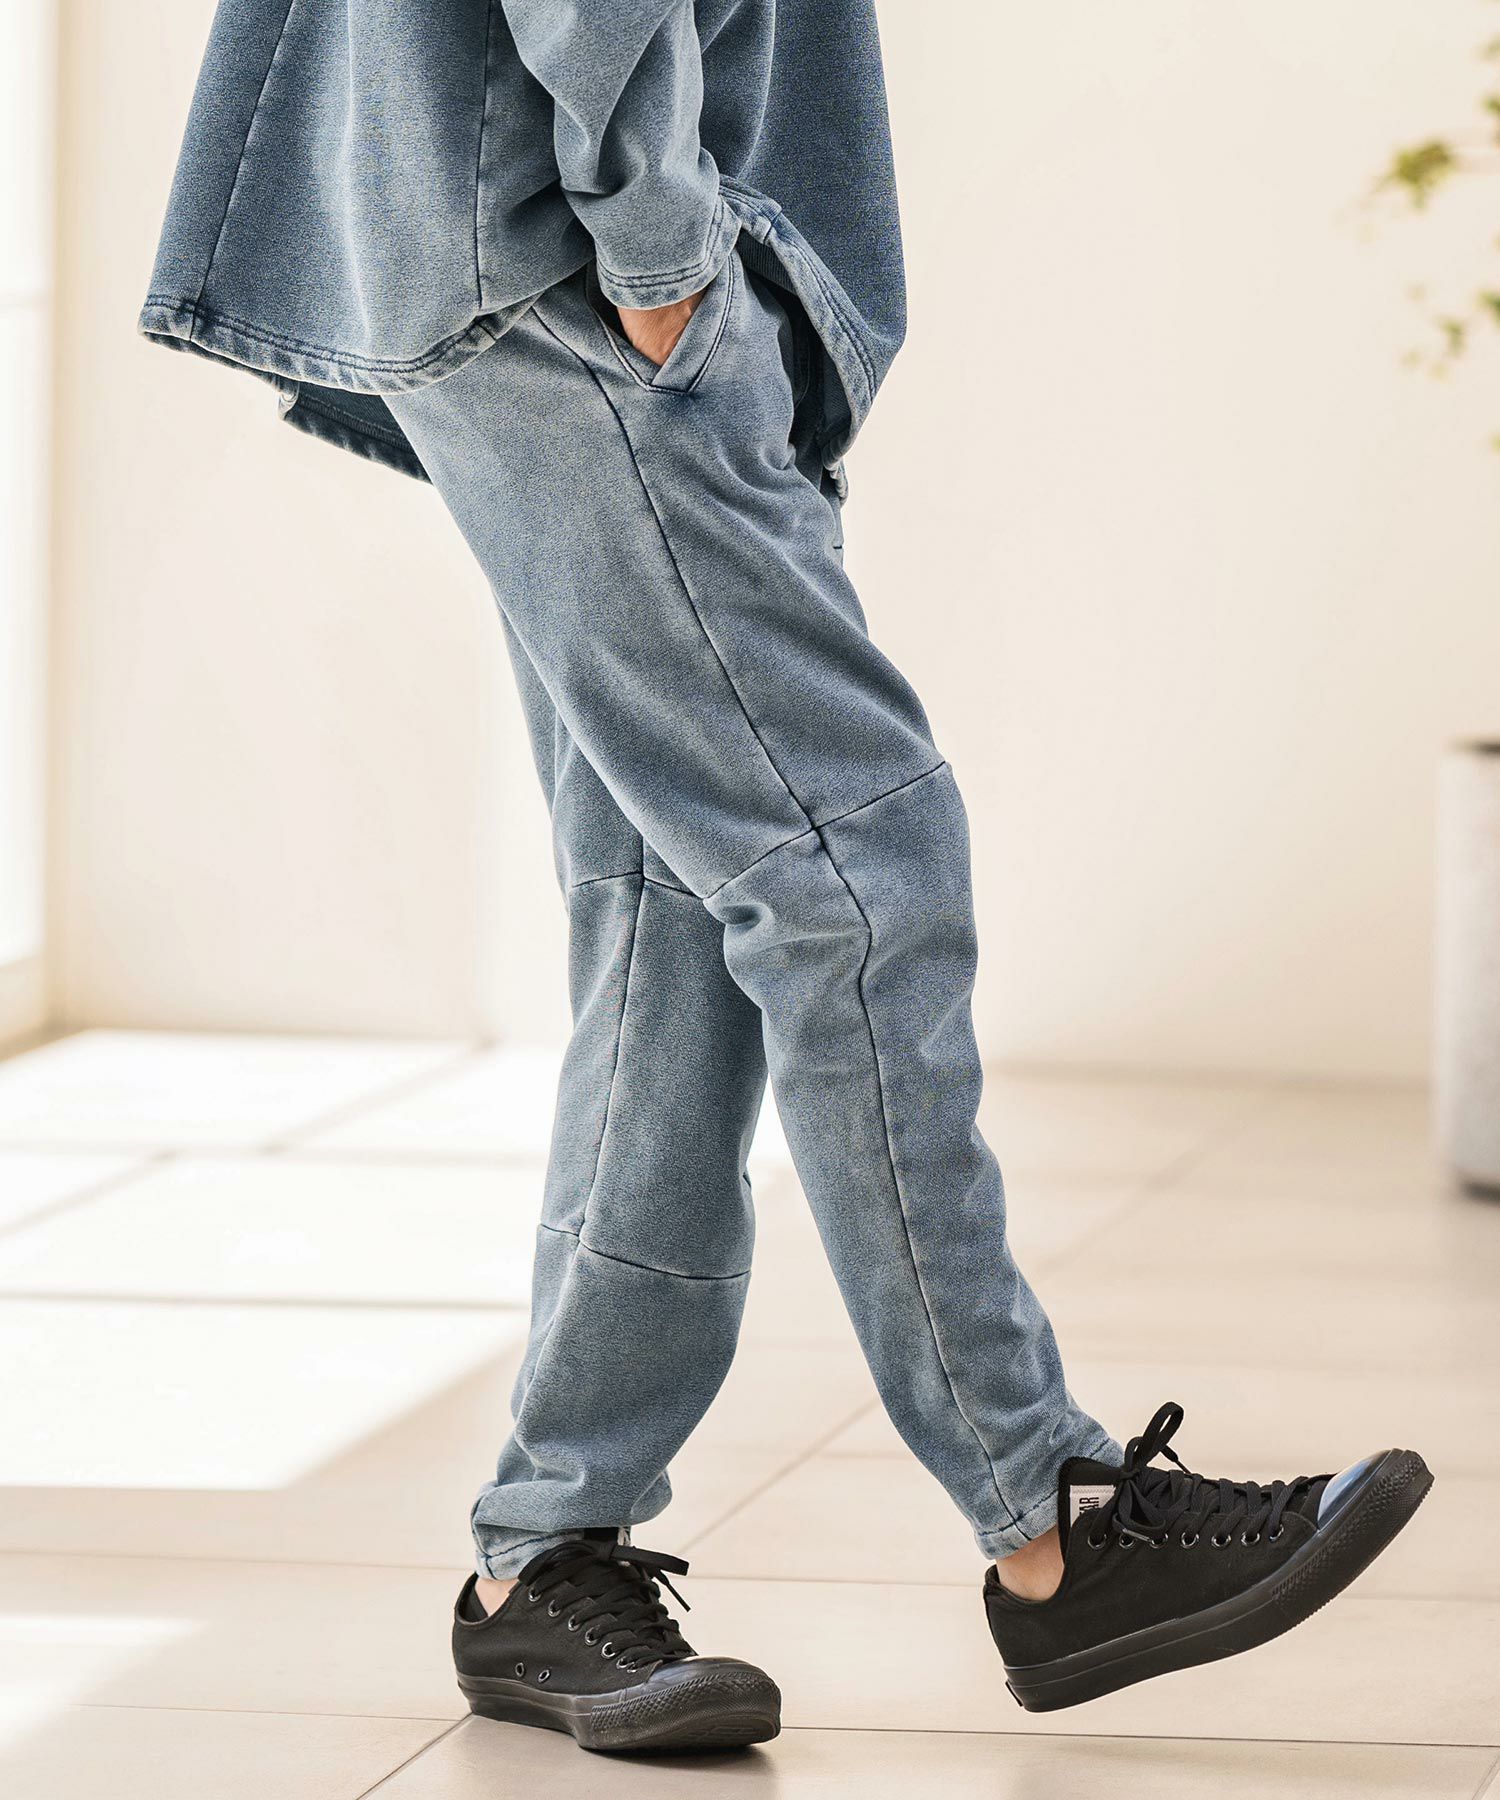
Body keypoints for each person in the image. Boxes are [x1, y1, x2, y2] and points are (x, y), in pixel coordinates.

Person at [141, 0, 1431, 1754]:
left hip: (496, 232)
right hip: (569, 258)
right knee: (859, 871)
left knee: (676, 923)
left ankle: (549, 1552)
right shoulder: (619, 256)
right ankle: (1055, 1521)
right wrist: (659, 246)